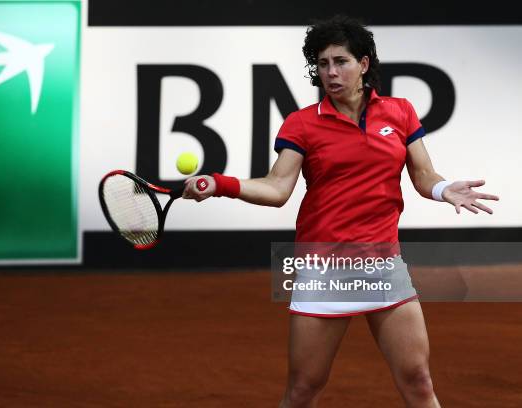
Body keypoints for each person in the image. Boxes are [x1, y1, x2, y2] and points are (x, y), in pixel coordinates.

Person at [182, 15, 498, 407]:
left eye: (340, 61)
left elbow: (422, 173)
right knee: (303, 389)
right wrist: (220, 184)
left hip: (383, 265)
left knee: (418, 380)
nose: (331, 72)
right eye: (322, 63)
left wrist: (442, 188)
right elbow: (278, 187)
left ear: (363, 64)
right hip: (323, 268)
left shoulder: (399, 112)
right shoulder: (302, 124)